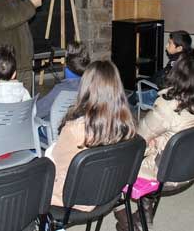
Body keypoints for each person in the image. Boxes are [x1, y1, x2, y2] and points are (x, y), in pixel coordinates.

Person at [115, 50, 194, 230]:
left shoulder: (168, 105)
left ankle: (124, 212)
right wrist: (161, 140)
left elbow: (138, 139)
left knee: (115, 160)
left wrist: (152, 142)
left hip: (167, 174)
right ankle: (143, 214)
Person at [48, 61, 136, 216]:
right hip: (110, 191)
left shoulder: (75, 130)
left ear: (86, 88)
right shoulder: (127, 125)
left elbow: (56, 165)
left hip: (76, 197)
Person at [132, 30, 192, 108]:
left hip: (161, 93)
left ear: (179, 48)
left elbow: (164, 82)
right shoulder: (185, 58)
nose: (166, 46)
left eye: (170, 43)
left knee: (133, 95)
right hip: (170, 91)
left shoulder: (175, 62)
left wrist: (151, 80)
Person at [35, 41, 90, 120]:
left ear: (65, 64)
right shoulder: (91, 86)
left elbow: (37, 111)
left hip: (58, 129)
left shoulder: (60, 90)